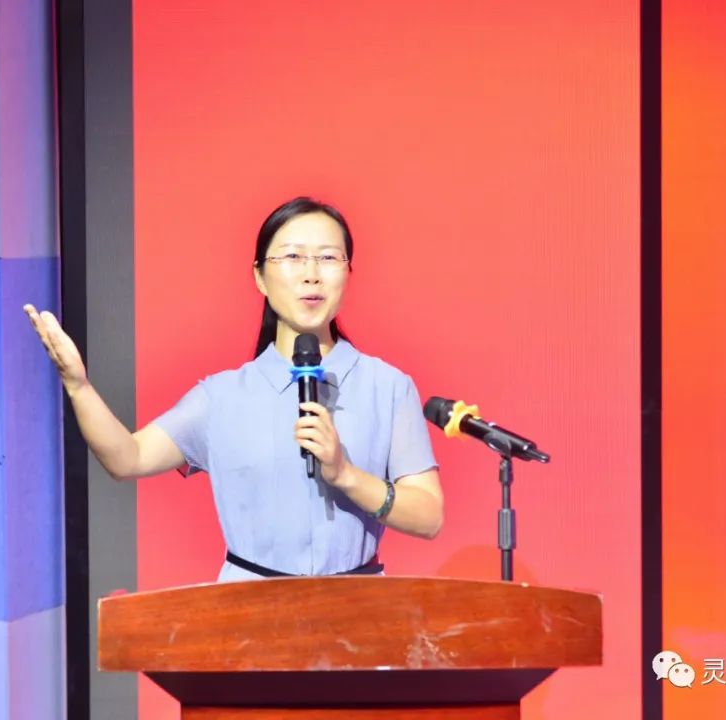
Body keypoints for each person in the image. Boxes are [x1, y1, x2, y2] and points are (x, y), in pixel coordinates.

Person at [24, 196, 443, 582]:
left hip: (358, 612)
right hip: (247, 613)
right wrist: (77, 386)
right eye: (293, 257)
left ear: (348, 273)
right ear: (260, 276)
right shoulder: (220, 397)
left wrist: (347, 476)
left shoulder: (388, 386)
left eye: (328, 258)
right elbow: (127, 457)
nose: (311, 274)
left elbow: (429, 516)